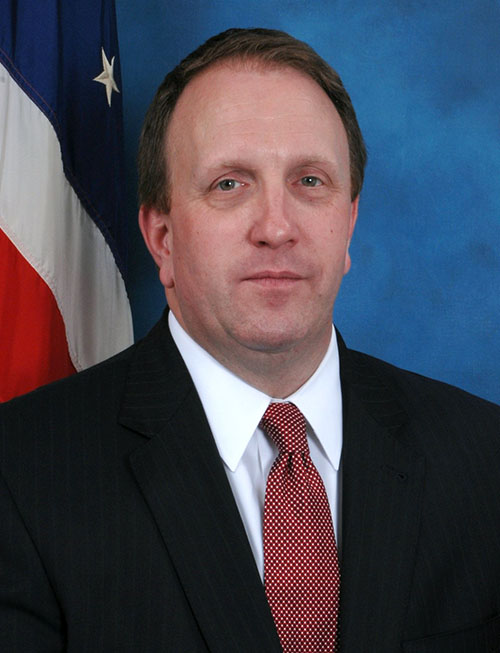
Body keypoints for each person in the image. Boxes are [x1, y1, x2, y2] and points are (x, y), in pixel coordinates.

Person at [1, 27, 499, 653]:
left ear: (348, 225)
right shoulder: (22, 475)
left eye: (310, 181)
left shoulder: (485, 462)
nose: (276, 227)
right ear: (162, 238)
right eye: (229, 184)